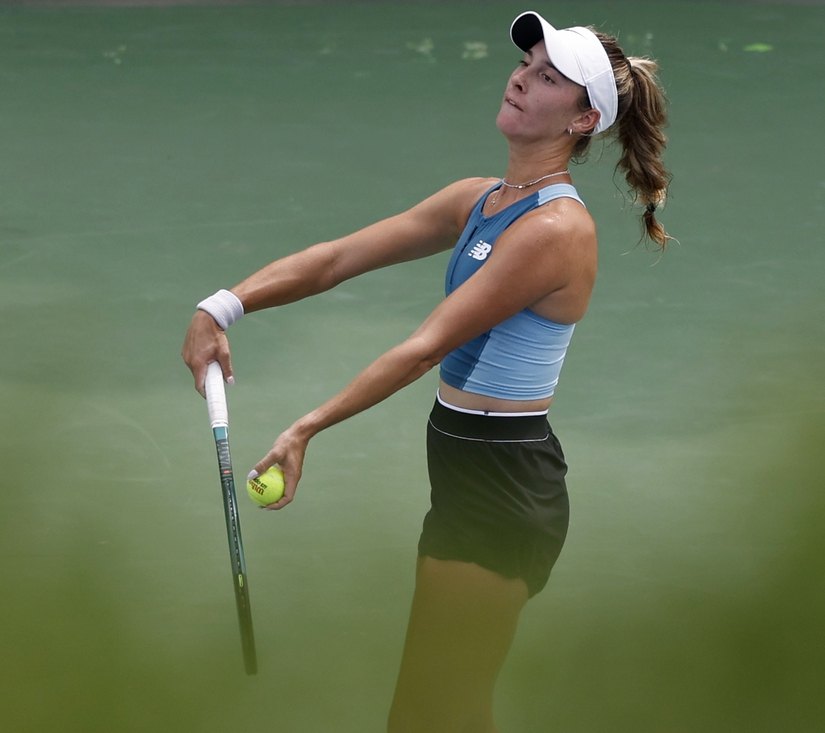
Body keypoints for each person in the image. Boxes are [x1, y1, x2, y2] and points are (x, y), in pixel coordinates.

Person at [182, 10, 670, 733]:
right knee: (433, 712)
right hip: (466, 471)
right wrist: (221, 306)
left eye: (547, 78)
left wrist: (306, 427)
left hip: (504, 486)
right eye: (525, 65)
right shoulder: (479, 199)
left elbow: (423, 348)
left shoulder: (556, 230)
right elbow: (336, 259)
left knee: (434, 712)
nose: (520, 79)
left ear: (583, 118)